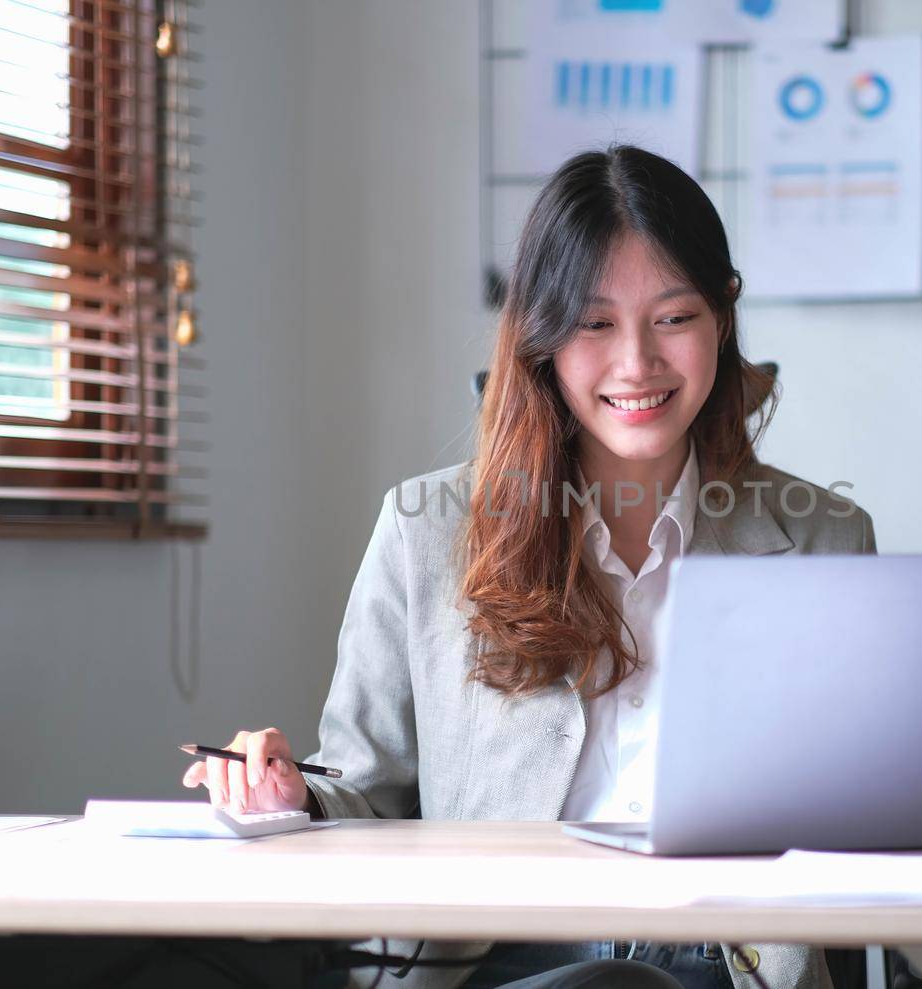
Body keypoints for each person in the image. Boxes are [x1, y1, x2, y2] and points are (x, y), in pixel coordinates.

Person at [183, 145, 877, 989]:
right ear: (542, 337)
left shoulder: (826, 539)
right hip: (487, 962)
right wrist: (292, 793)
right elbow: (364, 789)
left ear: (722, 318)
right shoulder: (423, 531)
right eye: (594, 323)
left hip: (726, 965)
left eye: (674, 317)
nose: (637, 363)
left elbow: (870, 816)